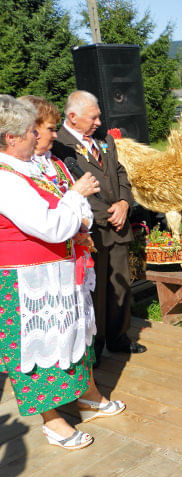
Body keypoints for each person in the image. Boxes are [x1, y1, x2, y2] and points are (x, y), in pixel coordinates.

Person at [0, 95, 125, 450]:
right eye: (31, 132)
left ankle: (84, 394)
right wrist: (75, 194)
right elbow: (52, 226)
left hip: (59, 272)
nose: (40, 139)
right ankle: (53, 422)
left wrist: (75, 209)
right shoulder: (5, 178)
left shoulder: (32, 167)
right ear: (12, 138)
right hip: (28, 282)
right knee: (37, 350)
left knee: (71, 337)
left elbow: (76, 217)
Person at [52, 90, 146, 361]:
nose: (98, 121)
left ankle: (119, 338)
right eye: (92, 117)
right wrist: (108, 213)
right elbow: (68, 189)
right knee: (96, 292)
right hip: (91, 230)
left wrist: (125, 203)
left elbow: (119, 172)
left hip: (118, 224)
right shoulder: (60, 145)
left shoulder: (104, 138)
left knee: (120, 285)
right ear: (73, 117)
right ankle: (95, 346)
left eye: (98, 116)